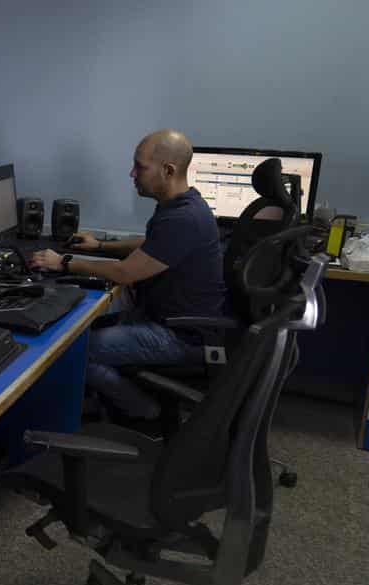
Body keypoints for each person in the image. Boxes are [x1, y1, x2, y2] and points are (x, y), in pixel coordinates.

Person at [28, 129, 226, 423]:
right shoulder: (185, 204)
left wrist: (65, 262)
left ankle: (144, 411)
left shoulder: (183, 218)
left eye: (140, 166)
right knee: (79, 329)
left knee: (72, 350)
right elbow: (152, 244)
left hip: (179, 336)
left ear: (168, 170)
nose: (132, 173)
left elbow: (126, 273)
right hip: (166, 317)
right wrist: (101, 245)